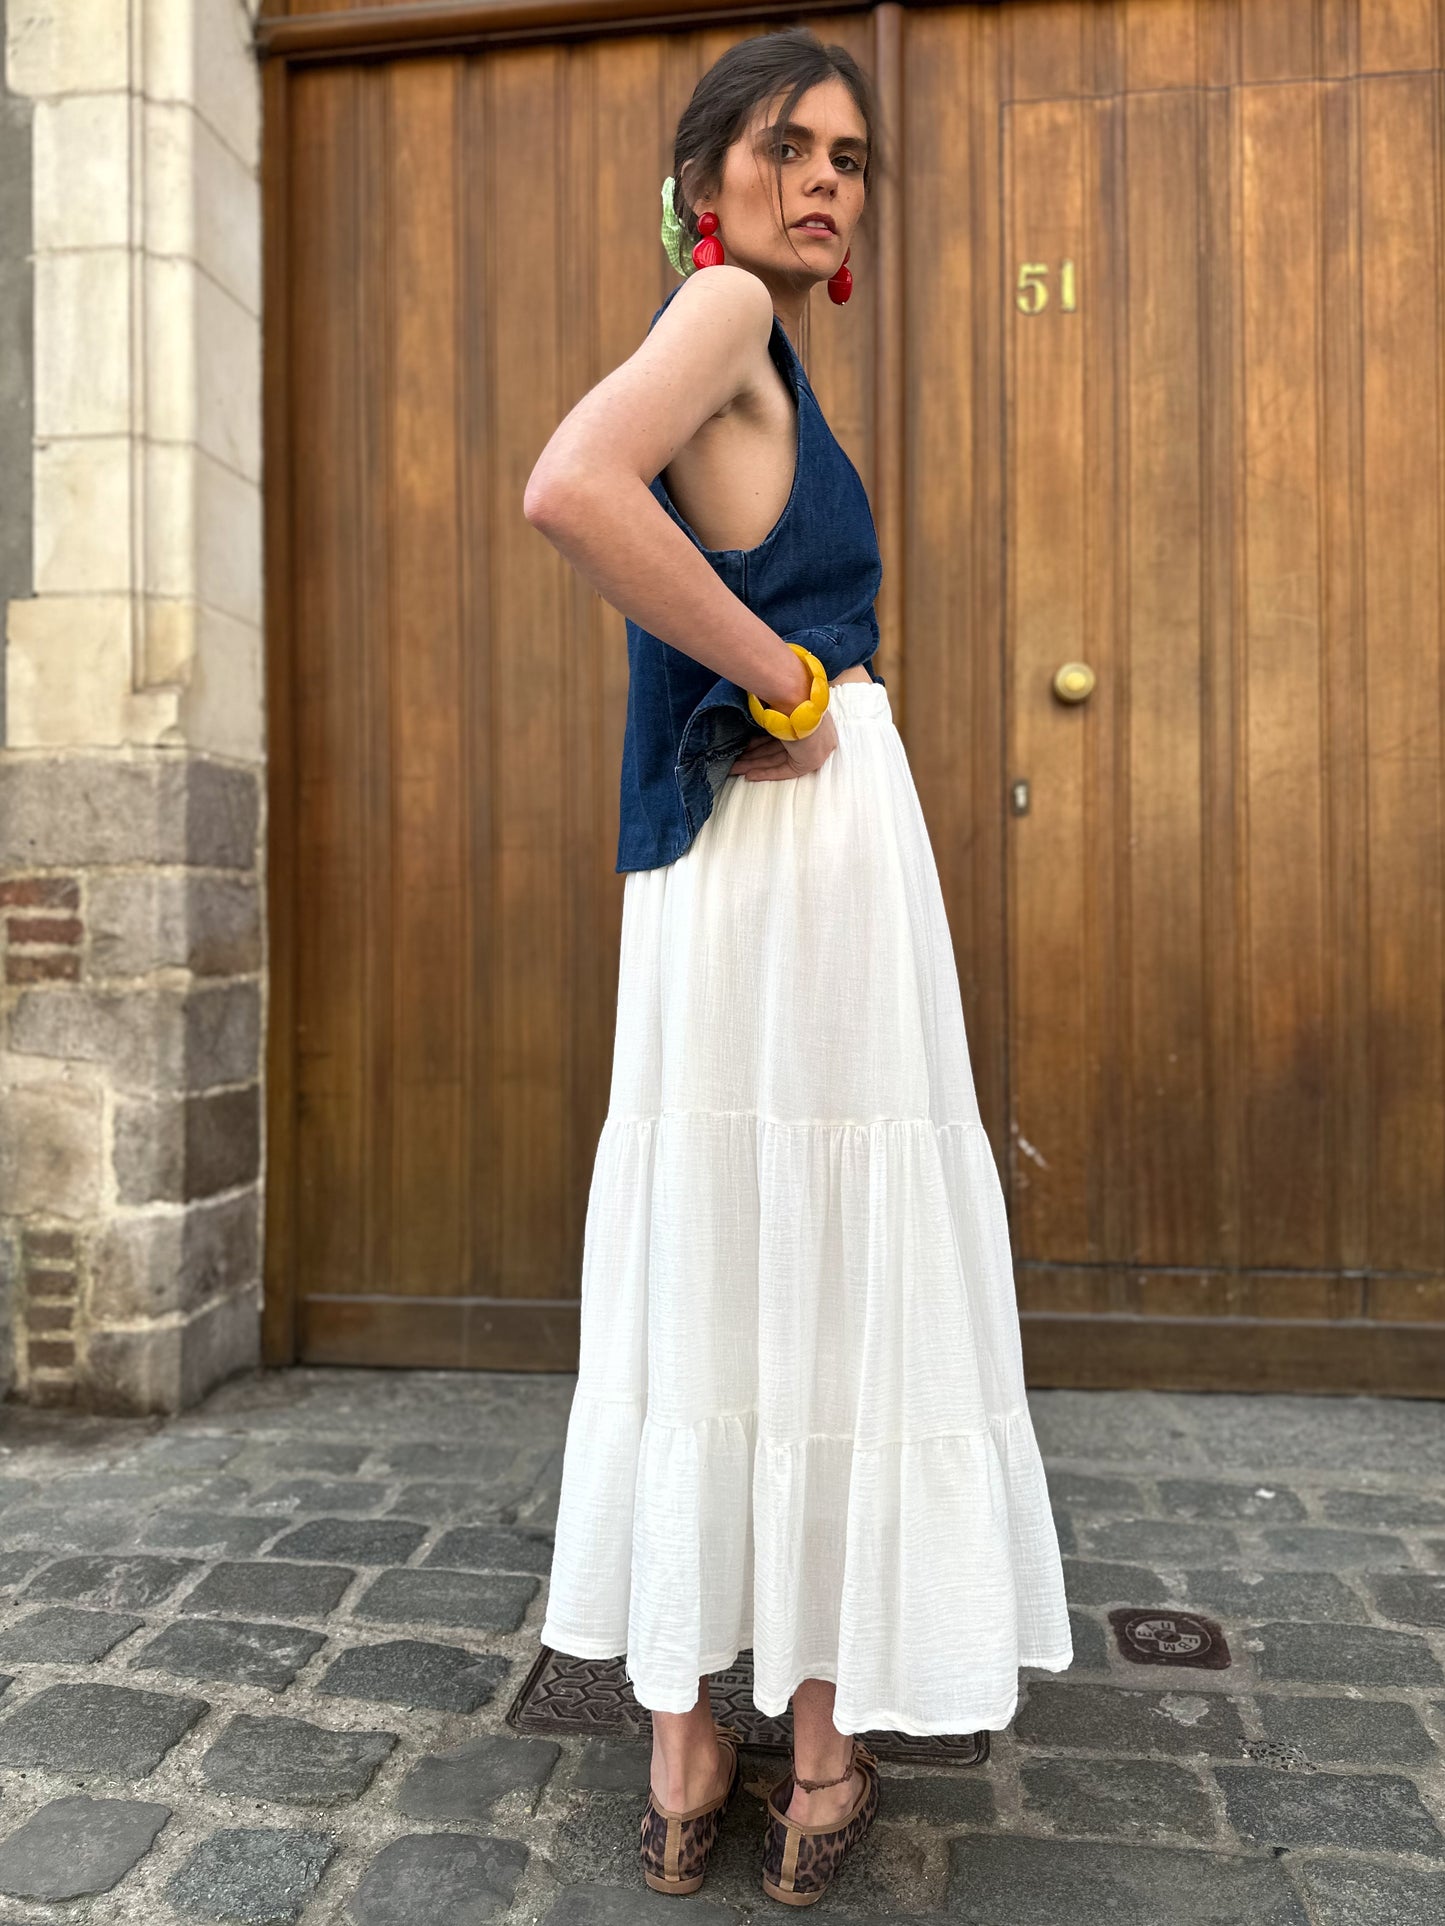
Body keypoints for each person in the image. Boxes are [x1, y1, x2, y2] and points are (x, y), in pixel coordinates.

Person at [522, 26, 1072, 1905]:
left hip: (725, 868)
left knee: (726, 1245)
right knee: (832, 1263)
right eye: (787, 146)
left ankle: (687, 1753)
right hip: (798, 843)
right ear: (704, 179)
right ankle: (816, 1754)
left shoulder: (737, 334)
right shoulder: (724, 313)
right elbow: (571, 485)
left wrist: (758, 679)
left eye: (848, 156)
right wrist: (779, 674)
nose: (826, 179)